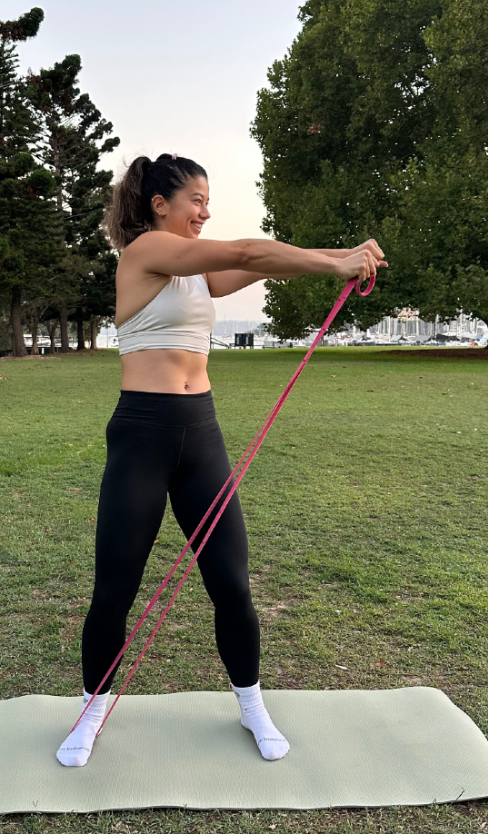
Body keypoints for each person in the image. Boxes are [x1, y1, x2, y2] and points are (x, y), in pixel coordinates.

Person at [56, 153, 383, 767]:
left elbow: (255, 266)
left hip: (201, 435)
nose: (206, 212)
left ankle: (252, 705)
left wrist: (343, 258)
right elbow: (248, 251)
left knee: (231, 584)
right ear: (161, 205)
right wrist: (336, 261)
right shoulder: (146, 252)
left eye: (209, 202)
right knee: (115, 588)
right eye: (197, 201)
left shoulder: (195, 273)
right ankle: (92, 710)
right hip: (142, 436)